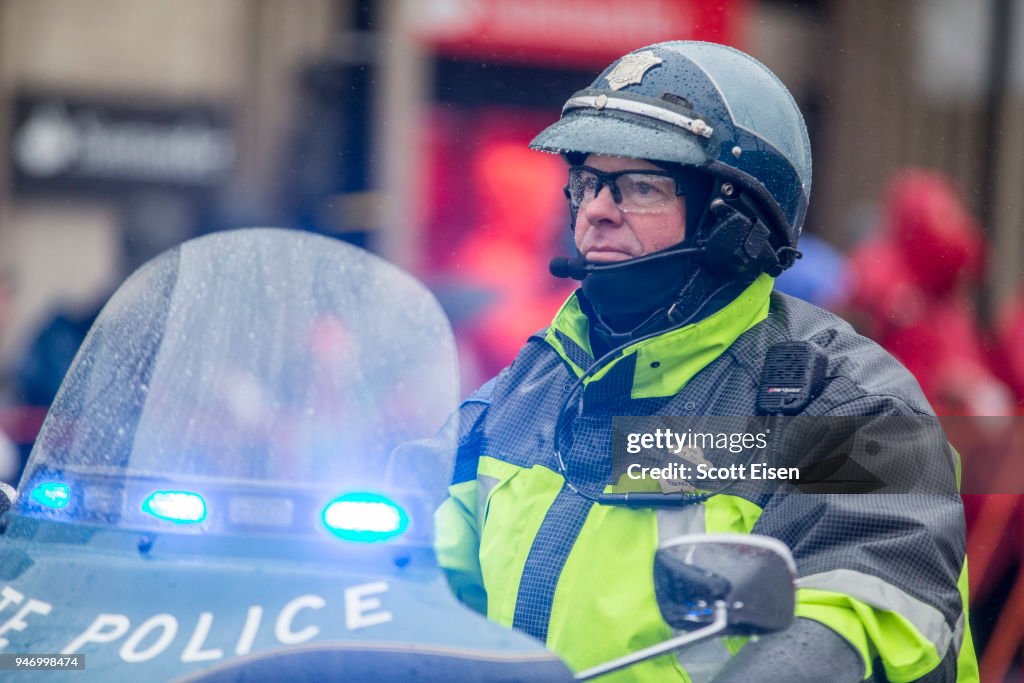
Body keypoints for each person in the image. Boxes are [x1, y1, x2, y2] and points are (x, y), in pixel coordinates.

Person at [432, 41, 977, 682]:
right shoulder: (529, 390)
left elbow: (859, 610)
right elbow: (421, 577)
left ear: (733, 217)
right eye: (587, 183)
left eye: (640, 187)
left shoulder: (853, 407)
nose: (598, 211)